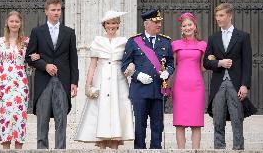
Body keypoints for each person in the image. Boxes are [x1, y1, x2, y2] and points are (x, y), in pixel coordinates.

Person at [75, 10, 134, 149]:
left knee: (117, 113)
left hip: (118, 82)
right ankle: (101, 148)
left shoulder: (124, 41)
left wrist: (131, 67)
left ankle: (114, 148)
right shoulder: (98, 41)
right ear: (104, 25)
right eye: (109, 23)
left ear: (118, 24)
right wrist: (87, 85)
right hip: (101, 81)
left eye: (114, 23)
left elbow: (129, 61)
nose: (111, 26)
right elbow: (92, 65)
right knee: (101, 113)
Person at [25, 0, 79, 149]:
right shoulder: (37, 31)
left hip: (63, 80)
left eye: (59, 10)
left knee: (61, 120)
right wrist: (45, 65)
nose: (56, 13)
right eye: (53, 10)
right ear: (46, 11)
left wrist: (74, 82)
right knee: (42, 121)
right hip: (43, 81)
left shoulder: (69, 32)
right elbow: (29, 57)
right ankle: (41, 150)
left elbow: (73, 59)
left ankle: (60, 150)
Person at [203, 3, 257, 150]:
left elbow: (247, 63)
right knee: (218, 121)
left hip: (236, 84)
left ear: (230, 16)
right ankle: (219, 149)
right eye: (216, 16)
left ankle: (238, 149)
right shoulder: (213, 38)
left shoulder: (243, 36)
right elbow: (206, 63)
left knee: (237, 120)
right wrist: (219, 63)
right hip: (218, 84)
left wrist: (245, 85)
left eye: (221, 15)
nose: (218, 19)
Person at [121, 9, 174, 149]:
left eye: (160, 22)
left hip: (158, 90)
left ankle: (156, 149)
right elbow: (124, 65)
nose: (159, 25)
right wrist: (137, 75)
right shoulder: (134, 41)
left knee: (157, 125)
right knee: (140, 124)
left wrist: (167, 72)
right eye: (156, 22)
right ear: (146, 24)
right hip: (140, 91)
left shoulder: (166, 41)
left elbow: (170, 63)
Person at [0, 11, 39, 149]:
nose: (14, 24)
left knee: (20, 117)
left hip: (20, 84)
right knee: (5, 117)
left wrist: (34, 60)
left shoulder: (26, 41)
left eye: (16, 21)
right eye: (11, 21)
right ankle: (5, 149)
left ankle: (19, 149)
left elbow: (29, 66)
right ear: (7, 22)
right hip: (4, 84)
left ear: (20, 23)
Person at [171, 12, 207, 149]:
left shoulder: (203, 45)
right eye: (184, 25)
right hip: (180, 87)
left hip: (196, 87)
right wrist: (167, 85)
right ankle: (181, 151)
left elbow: (203, 67)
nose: (187, 28)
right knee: (179, 123)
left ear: (195, 26)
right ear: (181, 28)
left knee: (196, 123)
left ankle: (195, 150)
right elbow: (171, 67)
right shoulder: (175, 44)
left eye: (189, 25)